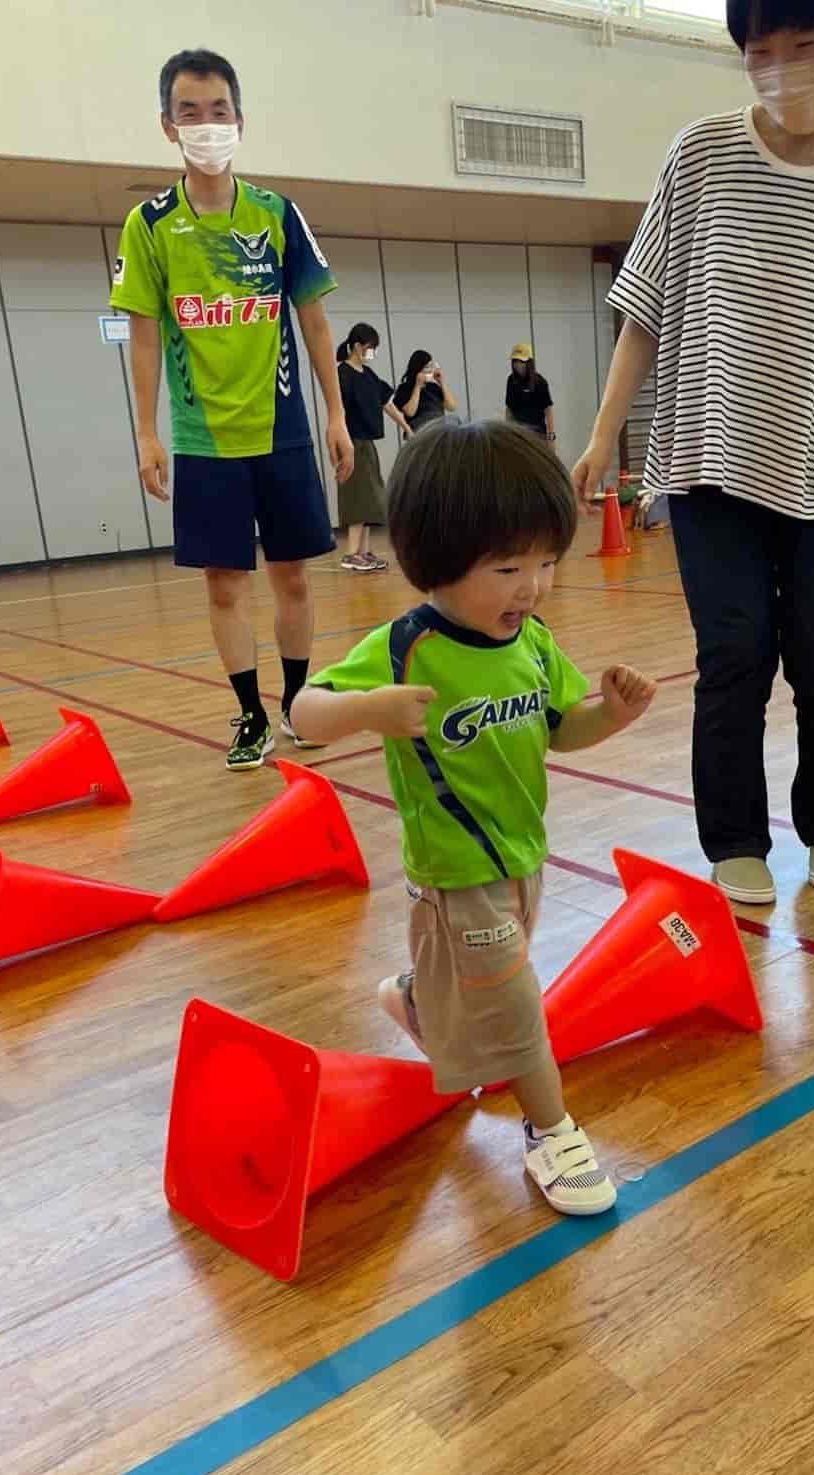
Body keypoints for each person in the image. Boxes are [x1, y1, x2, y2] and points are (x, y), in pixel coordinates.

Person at [574, 0, 814, 906]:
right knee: (736, 654)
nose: (783, 68)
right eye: (761, 51)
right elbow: (644, 310)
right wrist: (603, 436)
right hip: (711, 460)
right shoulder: (701, 154)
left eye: (806, 47)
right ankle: (736, 839)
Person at [292, 421, 657, 1217]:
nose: (532, 587)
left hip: (525, 858)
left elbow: (564, 726)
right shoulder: (405, 647)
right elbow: (302, 710)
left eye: (546, 563)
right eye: (507, 567)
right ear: (437, 559)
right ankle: (550, 1128)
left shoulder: (530, 641)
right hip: (456, 870)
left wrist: (613, 715)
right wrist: (368, 710)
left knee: (493, 981)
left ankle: (419, 1000)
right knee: (518, 1006)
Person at [111, 48, 353, 770]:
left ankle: (298, 702)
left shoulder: (277, 214)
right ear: (167, 126)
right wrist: (147, 433)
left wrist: (337, 413)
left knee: (294, 577)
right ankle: (250, 715)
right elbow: (146, 335)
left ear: (239, 119)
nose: (206, 125)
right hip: (203, 439)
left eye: (219, 111)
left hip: (280, 431)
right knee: (225, 585)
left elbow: (313, 320)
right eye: (191, 113)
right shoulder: (149, 226)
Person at [336, 324, 413, 573]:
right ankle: (350, 553)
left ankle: (364, 552)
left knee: (371, 499)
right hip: (351, 442)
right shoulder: (343, 374)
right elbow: (336, 411)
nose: (372, 353)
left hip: (367, 443)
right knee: (358, 497)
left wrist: (406, 427)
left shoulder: (368, 376)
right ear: (358, 346)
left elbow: (388, 404)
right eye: (371, 348)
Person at [393, 349, 459, 436]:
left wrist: (442, 382)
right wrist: (417, 386)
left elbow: (452, 407)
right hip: (419, 433)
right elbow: (409, 412)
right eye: (427, 367)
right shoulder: (404, 388)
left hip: (439, 431)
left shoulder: (433, 387)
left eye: (432, 366)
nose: (431, 370)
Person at [505, 344, 556, 447]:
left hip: (538, 434)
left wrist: (551, 437)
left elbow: (548, 411)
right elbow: (509, 409)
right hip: (518, 434)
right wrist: (507, 432)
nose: (518, 365)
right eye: (515, 361)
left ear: (529, 362)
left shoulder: (540, 382)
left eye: (521, 361)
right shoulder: (511, 380)